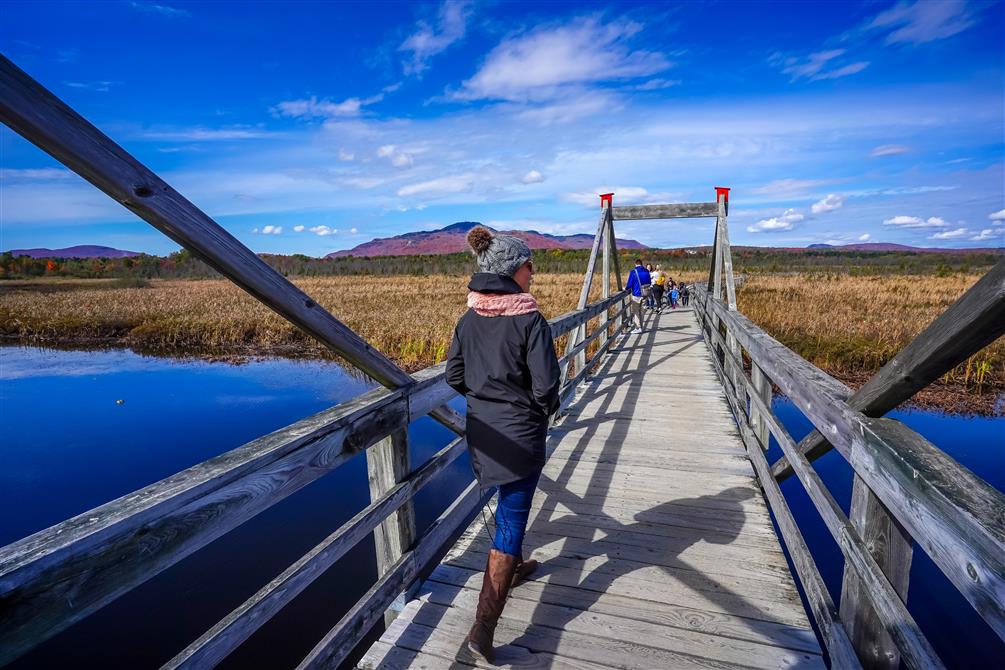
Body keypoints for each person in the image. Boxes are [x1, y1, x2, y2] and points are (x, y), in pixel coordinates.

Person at [446, 226, 561, 664]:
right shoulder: (530, 319)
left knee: (507, 514)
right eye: (531, 265)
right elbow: (547, 388)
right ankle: (483, 629)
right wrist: (533, 412)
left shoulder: (469, 317)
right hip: (520, 437)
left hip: (484, 434)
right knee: (511, 524)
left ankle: (515, 567)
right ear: (514, 270)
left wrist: (486, 402)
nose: (534, 273)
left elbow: (454, 376)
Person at [625, 259, 651, 334]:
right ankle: (641, 326)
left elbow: (629, 284)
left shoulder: (633, 272)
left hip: (636, 294)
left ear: (635, 264)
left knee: (636, 311)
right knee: (642, 311)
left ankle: (638, 327)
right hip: (645, 293)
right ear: (642, 264)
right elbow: (649, 282)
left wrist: (626, 289)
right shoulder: (646, 271)